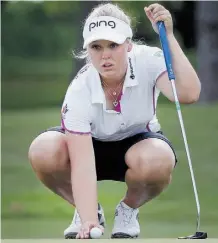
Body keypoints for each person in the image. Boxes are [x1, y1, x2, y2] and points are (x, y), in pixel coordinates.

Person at [28, 2, 201, 239]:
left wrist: (169, 36)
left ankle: (128, 210)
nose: (105, 54)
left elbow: (189, 94)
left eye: (113, 45)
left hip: (138, 144)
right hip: (90, 147)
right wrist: (89, 221)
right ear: (87, 50)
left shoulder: (149, 59)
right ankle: (86, 211)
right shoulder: (80, 90)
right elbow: (82, 163)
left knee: (158, 158)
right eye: (96, 47)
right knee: (43, 150)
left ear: (128, 44)